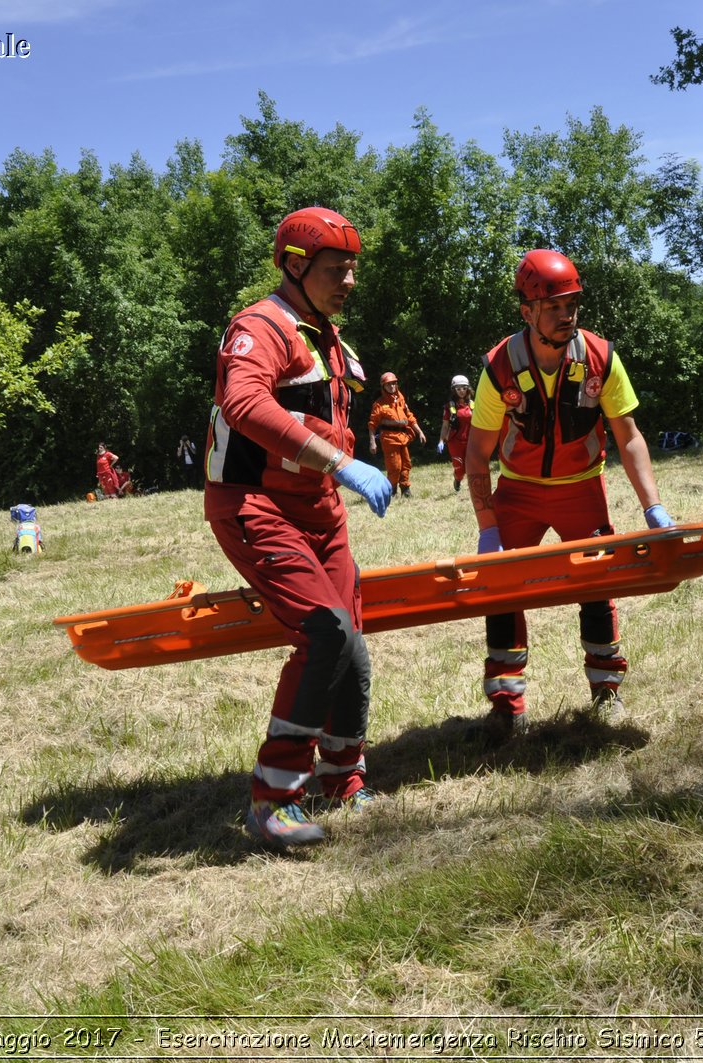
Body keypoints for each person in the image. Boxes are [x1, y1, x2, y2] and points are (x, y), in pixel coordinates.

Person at [205, 205, 394, 849]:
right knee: (326, 635)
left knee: (354, 648)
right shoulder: (260, 326)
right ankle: (273, 799)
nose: (349, 282)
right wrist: (343, 462)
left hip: (319, 510)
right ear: (294, 264)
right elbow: (244, 403)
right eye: (337, 269)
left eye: (353, 270)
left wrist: (341, 473)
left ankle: (343, 779)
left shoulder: (329, 337)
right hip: (254, 502)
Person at [464, 249, 676, 742]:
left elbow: (630, 436)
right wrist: (488, 526)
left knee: (597, 584)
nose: (567, 315)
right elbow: (477, 454)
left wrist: (652, 507)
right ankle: (506, 704)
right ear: (528, 312)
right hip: (518, 492)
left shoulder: (601, 356)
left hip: (583, 490)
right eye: (555, 306)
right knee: (503, 587)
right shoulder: (499, 367)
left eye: (573, 304)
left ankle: (606, 691)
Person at [367, 371, 425, 498]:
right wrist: (372, 441)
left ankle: (405, 489)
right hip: (389, 439)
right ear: (383, 387)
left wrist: (419, 432)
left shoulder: (401, 399)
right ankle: (391, 491)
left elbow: (410, 417)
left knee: (406, 464)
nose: (392, 386)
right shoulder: (379, 404)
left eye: (394, 383)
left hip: (403, 438)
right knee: (395, 467)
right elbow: (372, 424)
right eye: (388, 384)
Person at [438, 374, 475, 493]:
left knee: (472, 466)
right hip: (455, 442)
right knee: (460, 469)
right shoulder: (450, 406)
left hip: (471, 440)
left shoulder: (473, 404)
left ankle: (473, 488)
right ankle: (457, 479)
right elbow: (445, 425)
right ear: (454, 390)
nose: (462, 391)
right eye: (458, 389)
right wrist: (441, 441)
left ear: (468, 388)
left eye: (464, 388)